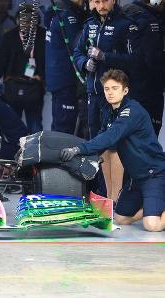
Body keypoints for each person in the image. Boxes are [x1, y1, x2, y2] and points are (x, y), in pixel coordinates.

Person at [61, 69, 165, 232]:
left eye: (115, 88)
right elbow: (102, 138)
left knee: (152, 226)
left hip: (154, 175)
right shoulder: (110, 112)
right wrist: (86, 156)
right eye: (107, 89)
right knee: (121, 218)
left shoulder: (131, 111)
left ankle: (154, 212)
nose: (110, 93)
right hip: (135, 179)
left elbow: (110, 137)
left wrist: (78, 149)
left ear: (125, 90)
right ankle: (154, 209)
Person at [73, 0, 140, 201]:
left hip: (114, 98)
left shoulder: (126, 24)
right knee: (95, 144)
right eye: (96, 1)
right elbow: (77, 53)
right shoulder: (89, 24)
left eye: (104, 0)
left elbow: (135, 60)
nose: (100, 5)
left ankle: (118, 196)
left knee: (115, 145)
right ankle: (101, 193)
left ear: (113, 1)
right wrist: (85, 63)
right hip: (92, 94)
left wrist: (105, 57)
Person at [0, 3, 46, 134]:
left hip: (34, 87)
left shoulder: (43, 36)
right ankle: (12, 152)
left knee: (35, 125)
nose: (26, 22)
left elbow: (49, 60)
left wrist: (43, 78)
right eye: (23, 19)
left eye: (30, 19)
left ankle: (36, 153)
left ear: (36, 20)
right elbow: (0, 62)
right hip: (12, 86)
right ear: (17, 20)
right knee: (13, 123)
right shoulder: (10, 36)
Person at [123, 0, 164, 136]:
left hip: (127, 87)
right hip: (149, 89)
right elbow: (152, 59)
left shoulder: (124, 13)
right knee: (148, 137)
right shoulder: (149, 20)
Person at [45, 0, 87, 134]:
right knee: (64, 128)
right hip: (66, 79)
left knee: (60, 126)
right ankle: (59, 155)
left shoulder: (56, 10)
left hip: (58, 78)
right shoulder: (68, 15)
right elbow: (79, 45)